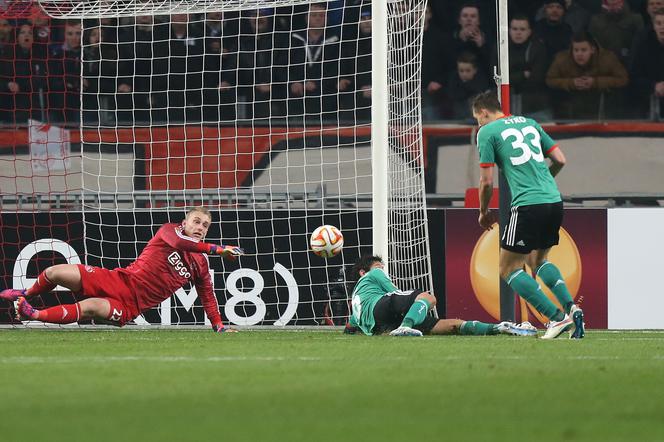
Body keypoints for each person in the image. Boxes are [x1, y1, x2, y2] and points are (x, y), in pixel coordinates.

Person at [1, 207, 244, 332]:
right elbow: (181, 243)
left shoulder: (200, 264)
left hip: (130, 306)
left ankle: (32, 314)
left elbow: (207, 296)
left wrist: (218, 325)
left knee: (91, 307)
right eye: (197, 222)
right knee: (55, 272)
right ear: (184, 223)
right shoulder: (169, 231)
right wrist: (219, 249)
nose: (201, 227)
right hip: (119, 280)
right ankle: (26, 293)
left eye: (205, 225)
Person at [470, 90, 585, 339]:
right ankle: (571, 308)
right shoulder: (530, 123)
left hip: (527, 206)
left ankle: (556, 318)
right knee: (538, 261)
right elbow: (560, 159)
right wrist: (543, 181)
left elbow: (487, 181)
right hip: (553, 200)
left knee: (508, 268)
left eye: (477, 119)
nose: (477, 124)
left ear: (483, 112)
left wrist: (483, 212)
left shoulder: (487, 132)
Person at [345, 255, 537, 337]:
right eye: (379, 266)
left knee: (452, 325)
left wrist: (349, 331)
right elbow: (393, 291)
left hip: (381, 325)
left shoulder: (356, 301)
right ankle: (405, 327)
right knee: (428, 298)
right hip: (385, 309)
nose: (382, 269)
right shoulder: (373, 274)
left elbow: (350, 326)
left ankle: (499, 328)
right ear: (364, 272)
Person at [546, 31, 629, 119]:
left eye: (583, 50)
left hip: (601, 106)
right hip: (570, 107)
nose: (579, 54)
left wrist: (595, 82)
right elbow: (550, 79)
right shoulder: (562, 59)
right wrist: (571, 83)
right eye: (576, 50)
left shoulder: (607, 58)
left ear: (592, 49)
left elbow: (623, 79)